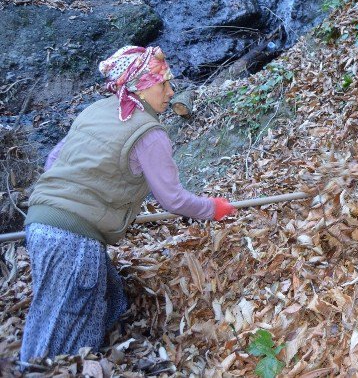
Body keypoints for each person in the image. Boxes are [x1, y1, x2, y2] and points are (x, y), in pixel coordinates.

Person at [20, 46, 236, 363]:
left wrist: (67, 198)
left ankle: (116, 350)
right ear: (142, 86)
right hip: (74, 238)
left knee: (108, 297)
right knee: (61, 338)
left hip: (39, 224)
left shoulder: (96, 110)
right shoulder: (149, 132)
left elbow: (54, 159)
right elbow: (172, 198)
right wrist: (214, 208)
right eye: (163, 84)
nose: (171, 91)